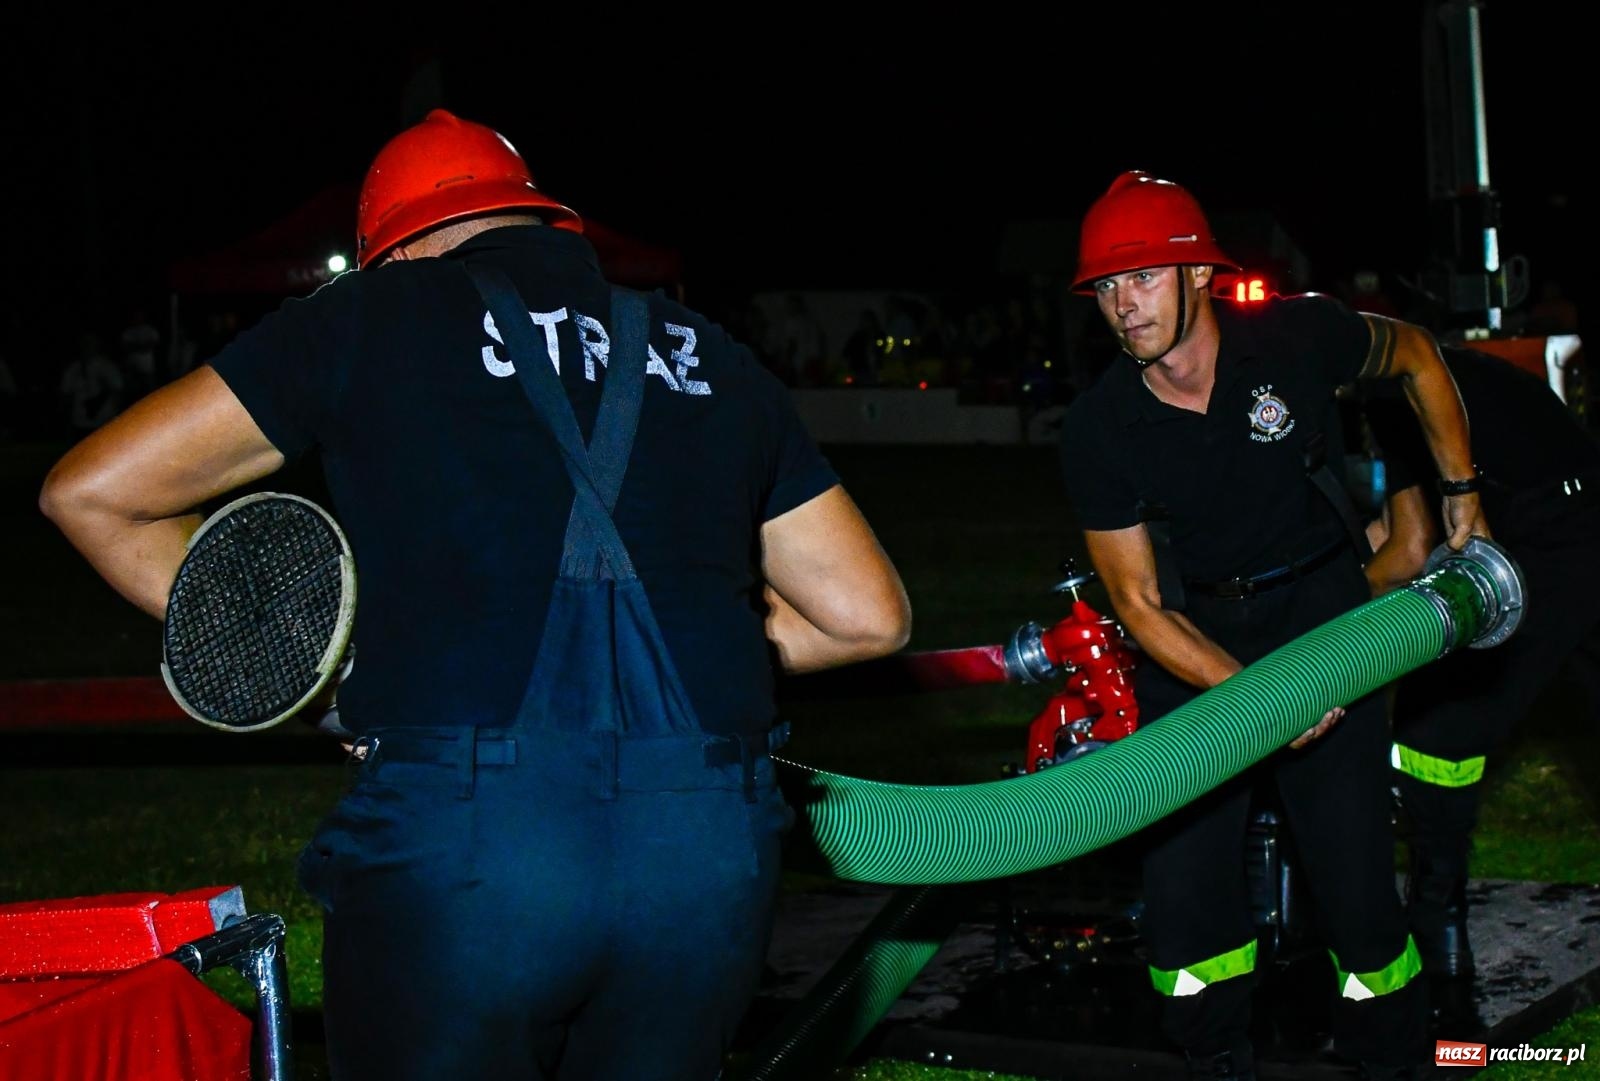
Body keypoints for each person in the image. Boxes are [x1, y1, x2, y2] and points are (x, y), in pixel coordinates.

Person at [38, 108, 912, 1081]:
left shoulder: (363, 320)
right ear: (541, 223)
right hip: (706, 843)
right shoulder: (705, 350)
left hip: (468, 841)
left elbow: (94, 493)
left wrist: (308, 656)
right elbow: (865, 614)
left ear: (397, 248)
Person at [1056, 171, 1489, 1081]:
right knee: (1183, 898)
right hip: (1197, 640)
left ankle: (1394, 1060)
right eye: (1104, 287)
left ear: (1198, 275)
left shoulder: (1294, 337)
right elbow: (1139, 603)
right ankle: (1216, 1059)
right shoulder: (1101, 424)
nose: (1120, 306)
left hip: (1324, 618)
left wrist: (1462, 496)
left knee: (1359, 890)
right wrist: (1261, 703)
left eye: (1138, 279)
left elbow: (1414, 353)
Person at [1359, 343, 1600, 1023]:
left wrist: (1317, 615)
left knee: (1438, 726)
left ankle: (1439, 936)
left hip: (1547, 538)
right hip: (1577, 505)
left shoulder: (1391, 393)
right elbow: (1399, 527)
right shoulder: (1425, 362)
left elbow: (1408, 548)